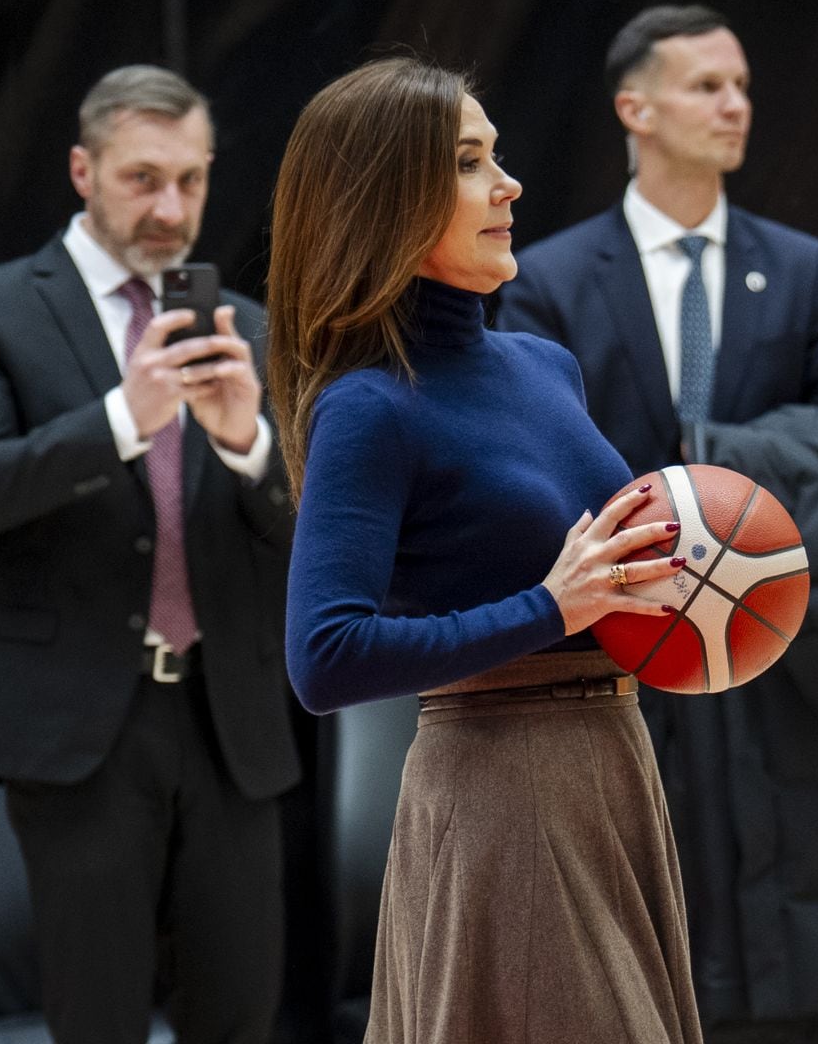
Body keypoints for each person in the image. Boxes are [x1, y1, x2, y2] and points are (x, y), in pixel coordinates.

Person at [496, 4, 818, 1044]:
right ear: (635, 108)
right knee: (634, 983)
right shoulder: (552, 280)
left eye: (742, 85)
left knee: (786, 998)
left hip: (772, 658)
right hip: (626, 660)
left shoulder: (798, 267)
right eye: (708, 85)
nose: (736, 104)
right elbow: (526, 469)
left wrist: (716, 457)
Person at [266, 56, 704, 1044]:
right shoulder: (369, 407)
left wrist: (688, 599)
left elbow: (599, 588)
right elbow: (323, 659)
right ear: (388, 198)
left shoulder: (546, 365)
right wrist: (551, 608)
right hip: (505, 794)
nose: (508, 185)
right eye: (470, 163)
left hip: (616, 766)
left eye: (497, 155)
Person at [0, 65, 299, 1043]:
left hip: (231, 724)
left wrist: (243, 442)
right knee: (96, 1018)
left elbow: (308, 539)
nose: (170, 208)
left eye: (191, 179)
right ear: (82, 170)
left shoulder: (249, 332)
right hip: (77, 721)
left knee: (239, 1012)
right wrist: (120, 421)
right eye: (143, 179)